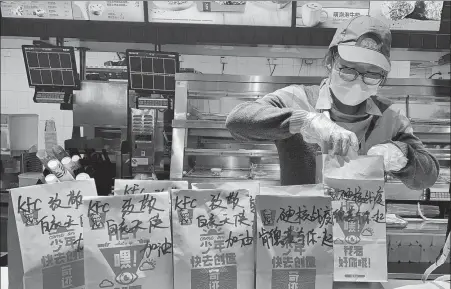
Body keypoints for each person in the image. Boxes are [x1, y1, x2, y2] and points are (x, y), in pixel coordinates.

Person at [225, 15, 439, 189]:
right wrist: (305, 121)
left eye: (372, 74)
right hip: (303, 231)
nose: (358, 80)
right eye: (348, 69)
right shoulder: (297, 99)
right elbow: (237, 121)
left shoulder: (391, 116)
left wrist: (402, 156)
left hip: (359, 233)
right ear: (330, 61)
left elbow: (428, 176)